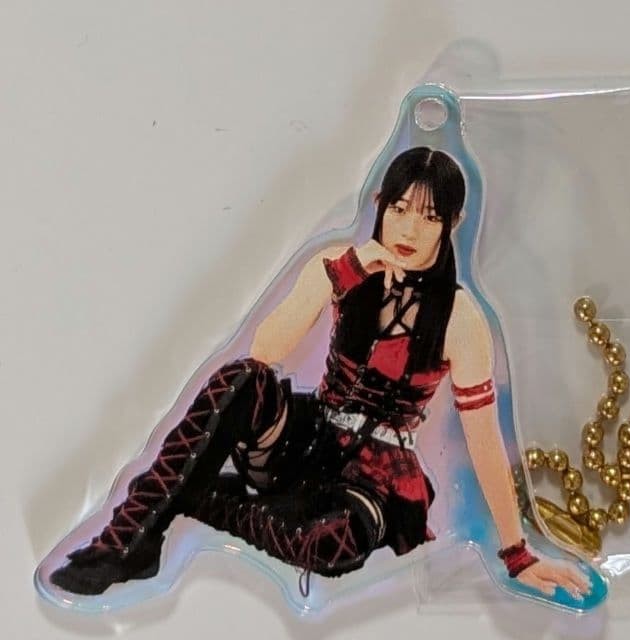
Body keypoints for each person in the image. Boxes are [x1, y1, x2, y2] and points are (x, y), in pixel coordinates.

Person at [49, 147, 591, 600]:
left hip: (373, 476)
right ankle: (130, 539)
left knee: (332, 547)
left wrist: (517, 555)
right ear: (380, 205)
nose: (410, 227)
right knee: (240, 381)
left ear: (451, 225)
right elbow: (263, 351)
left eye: (429, 217)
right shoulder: (339, 264)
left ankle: (193, 493)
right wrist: (348, 272)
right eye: (400, 208)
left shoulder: (460, 318)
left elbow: (484, 440)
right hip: (302, 441)